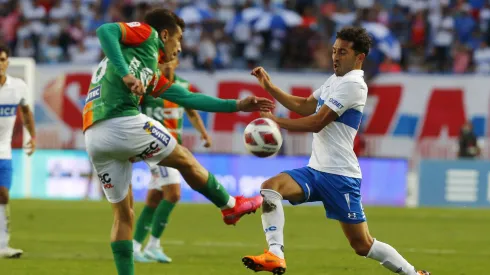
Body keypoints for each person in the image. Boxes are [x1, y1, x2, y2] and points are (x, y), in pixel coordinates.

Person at [83, 9, 273, 275]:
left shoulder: (150, 74)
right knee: (183, 157)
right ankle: (231, 206)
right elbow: (106, 30)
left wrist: (238, 105)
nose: (180, 47)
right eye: (179, 39)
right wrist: (125, 74)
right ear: (164, 35)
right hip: (120, 121)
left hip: (94, 135)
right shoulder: (147, 35)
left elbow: (190, 99)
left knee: (124, 215)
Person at [241, 27, 430, 275]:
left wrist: (277, 123)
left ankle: (413, 274)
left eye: (342, 52)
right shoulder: (335, 80)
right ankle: (275, 254)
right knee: (270, 188)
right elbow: (306, 105)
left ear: (359, 57)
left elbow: (317, 121)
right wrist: (270, 87)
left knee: (362, 245)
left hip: (340, 176)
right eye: (334, 51)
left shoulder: (354, 85)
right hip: (315, 170)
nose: (335, 57)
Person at [132, 58, 212, 263]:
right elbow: (132, 111)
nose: (167, 65)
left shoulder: (182, 86)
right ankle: (153, 245)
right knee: (174, 194)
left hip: (174, 147)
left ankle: (134, 247)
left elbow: (191, 111)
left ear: (177, 63)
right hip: (159, 149)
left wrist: (203, 133)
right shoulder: (149, 85)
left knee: (154, 199)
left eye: (171, 61)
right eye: (163, 61)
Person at [0, 44, 36, 258]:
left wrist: (33, 136)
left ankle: (3, 245)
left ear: (8, 62)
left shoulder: (18, 87)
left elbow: (26, 111)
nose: (0, 64)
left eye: (2, 59)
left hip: (4, 152)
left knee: (3, 194)